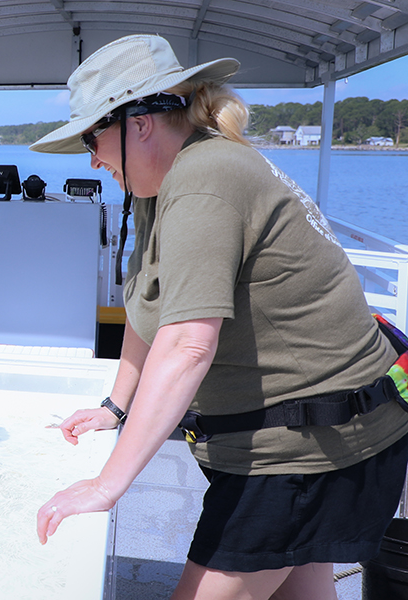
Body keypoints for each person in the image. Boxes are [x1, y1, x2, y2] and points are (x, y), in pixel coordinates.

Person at [30, 34, 408, 599]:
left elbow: (186, 345)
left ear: (139, 124)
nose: (92, 160)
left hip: (311, 447)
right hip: (306, 437)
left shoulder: (206, 181)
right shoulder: (161, 185)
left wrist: (108, 486)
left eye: (92, 139)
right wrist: (117, 406)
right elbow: (148, 305)